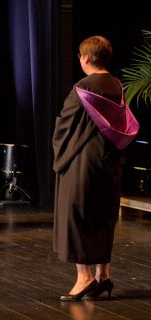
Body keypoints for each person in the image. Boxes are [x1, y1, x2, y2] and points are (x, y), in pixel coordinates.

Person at [53, 35, 139, 301]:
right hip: (109, 162)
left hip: (83, 162)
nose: (79, 59)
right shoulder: (116, 85)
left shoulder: (84, 87)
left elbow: (65, 126)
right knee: (103, 216)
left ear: (87, 58)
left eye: (80, 55)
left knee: (78, 216)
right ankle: (104, 276)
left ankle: (85, 278)